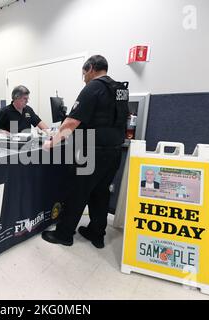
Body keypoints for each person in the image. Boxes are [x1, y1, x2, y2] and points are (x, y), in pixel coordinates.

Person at [41, 55, 129, 249]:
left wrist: (51, 143)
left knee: (78, 192)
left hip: (91, 151)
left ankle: (64, 234)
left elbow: (72, 122)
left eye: (84, 73)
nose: (84, 77)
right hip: (114, 151)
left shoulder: (93, 87)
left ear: (90, 68)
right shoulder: (120, 89)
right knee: (100, 193)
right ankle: (96, 234)